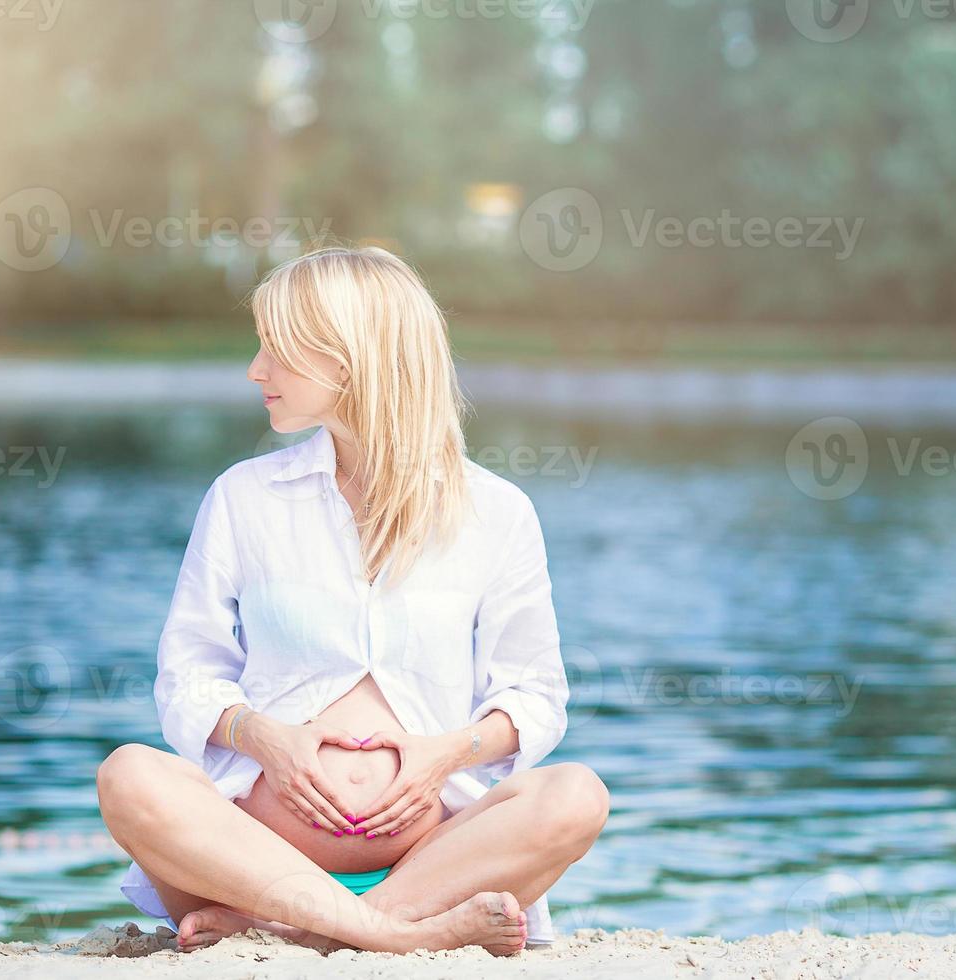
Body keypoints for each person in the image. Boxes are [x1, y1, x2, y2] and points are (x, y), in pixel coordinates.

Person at [96, 245, 609, 956]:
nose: (255, 370)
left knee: (575, 794)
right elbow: (186, 677)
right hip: (248, 866)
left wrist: (442, 755)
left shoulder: (497, 511)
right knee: (129, 773)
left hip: (429, 861)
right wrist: (263, 739)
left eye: (276, 349)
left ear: (346, 358)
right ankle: (386, 937)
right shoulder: (244, 498)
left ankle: (316, 930)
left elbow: (535, 695)